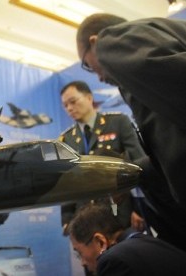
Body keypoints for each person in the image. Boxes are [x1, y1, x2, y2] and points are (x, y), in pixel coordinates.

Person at [76, 13, 186, 252]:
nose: (99, 77)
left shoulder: (112, 41)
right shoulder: (162, 32)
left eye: (88, 64)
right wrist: (132, 176)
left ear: (95, 41)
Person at [59, 80, 145, 233]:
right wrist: (67, 218)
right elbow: (66, 181)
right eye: (65, 106)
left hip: (120, 217)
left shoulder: (118, 123)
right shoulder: (66, 140)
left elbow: (139, 164)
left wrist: (141, 208)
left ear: (89, 98)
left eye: (73, 102)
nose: (69, 108)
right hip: (84, 221)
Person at [68, 203, 186, 276]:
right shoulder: (138, 242)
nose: (82, 263)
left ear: (100, 241)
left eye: (80, 253)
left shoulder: (113, 261)